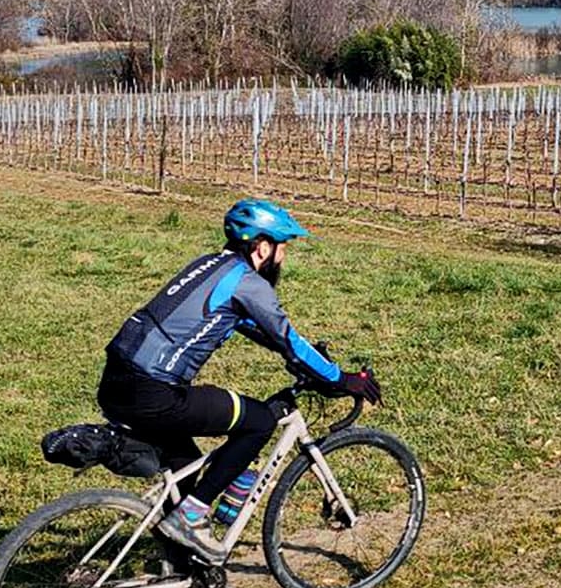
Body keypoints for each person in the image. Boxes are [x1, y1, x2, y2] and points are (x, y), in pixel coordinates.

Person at [99, 198, 378, 562]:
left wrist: (301, 360)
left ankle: (180, 561)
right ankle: (193, 515)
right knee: (260, 420)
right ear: (262, 246)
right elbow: (287, 338)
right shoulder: (249, 283)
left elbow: (247, 324)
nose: (283, 258)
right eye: (282, 248)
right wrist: (341, 378)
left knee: (185, 464)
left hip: (116, 381)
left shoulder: (209, 266)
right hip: (155, 391)